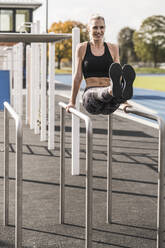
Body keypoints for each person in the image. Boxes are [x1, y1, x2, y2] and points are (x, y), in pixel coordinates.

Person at [66, 14, 136, 115]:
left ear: (105, 28)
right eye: (95, 27)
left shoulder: (113, 48)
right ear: (88, 29)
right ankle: (111, 90)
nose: (99, 31)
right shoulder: (82, 48)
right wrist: (71, 102)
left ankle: (117, 93)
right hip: (91, 100)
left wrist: (125, 103)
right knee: (102, 93)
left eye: (101, 27)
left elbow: (119, 75)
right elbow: (77, 76)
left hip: (110, 104)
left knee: (115, 93)